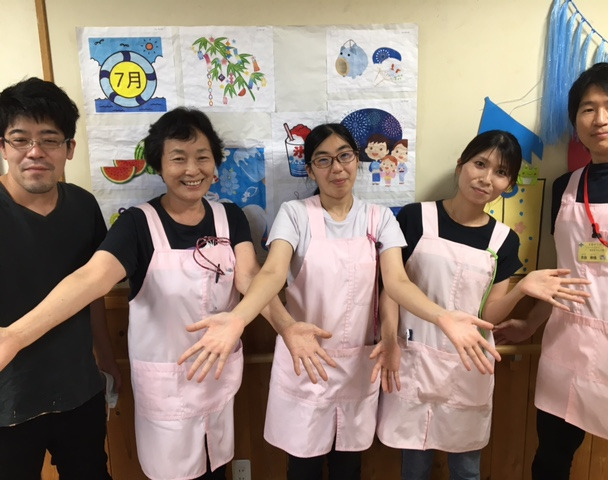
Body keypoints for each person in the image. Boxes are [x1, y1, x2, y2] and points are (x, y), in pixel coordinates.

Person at [179, 123, 506, 480]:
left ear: (357, 161)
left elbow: (396, 282)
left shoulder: (380, 218)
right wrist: (238, 318)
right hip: (306, 361)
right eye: (323, 160)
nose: (336, 168)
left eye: (344, 156)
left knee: (348, 468)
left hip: (356, 369)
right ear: (310, 169)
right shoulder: (295, 214)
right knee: (302, 468)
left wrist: (442, 317)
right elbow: (271, 273)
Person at [0, 107, 286, 480]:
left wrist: (289, 327)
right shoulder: (137, 224)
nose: (192, 169)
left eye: (202, 157)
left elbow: (250, 278)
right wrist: (15, 335)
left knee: (218, 466)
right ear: (158, 166)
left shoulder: (229, 216)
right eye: (178, 158)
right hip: (166, 390)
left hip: (218, 383)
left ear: (215, 164)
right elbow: (92, 278)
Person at [374, 130, 590, 480]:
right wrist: (388, 340)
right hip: (413, 356)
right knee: (414, 466)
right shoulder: (415, 218)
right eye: (480, 164)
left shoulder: (504, 240)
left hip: (468, 364)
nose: (486, 178)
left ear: (509, 184)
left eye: (500, 172)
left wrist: (523, 290)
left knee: (466, 469)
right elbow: (392, 287)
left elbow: (488, 314)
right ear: (461, 165)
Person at [494, 62, 608, 480]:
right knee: (550, 461)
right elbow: (563, 272)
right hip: (567, 348)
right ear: (576, 122)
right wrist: (530, 324)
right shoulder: (565, 186)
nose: (600, 119)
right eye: (587, 109)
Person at [0, 78, 119, 479]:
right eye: (20, 139)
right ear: (2, 146)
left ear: (69, 148)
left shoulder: (83, 206)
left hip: (78, 390)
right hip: (7, 402)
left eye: (49, 140)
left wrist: (106, 357)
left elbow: (93, 290)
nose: (35, 152)